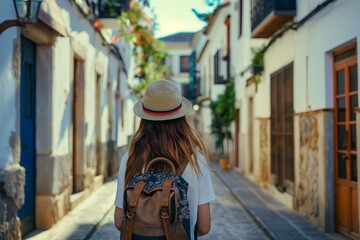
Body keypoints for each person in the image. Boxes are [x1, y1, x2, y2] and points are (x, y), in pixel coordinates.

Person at [114, 80, 216, 240]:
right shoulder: (196, 160)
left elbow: (120, 222)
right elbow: (204, 226)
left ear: (144, 118)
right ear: (181, 117)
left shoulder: (130, 158)